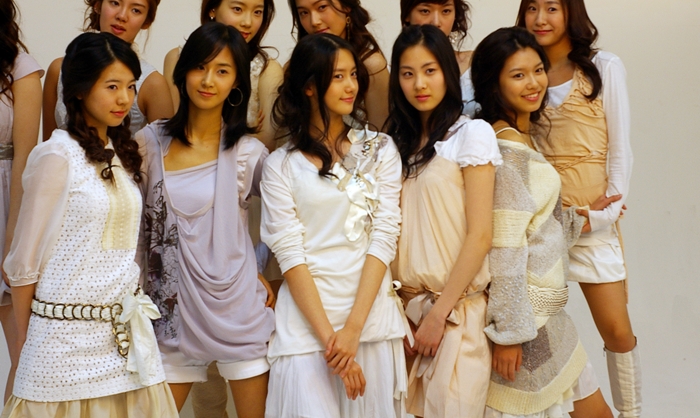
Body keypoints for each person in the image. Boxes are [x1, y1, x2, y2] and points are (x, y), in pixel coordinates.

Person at [2, 32, 177, 417]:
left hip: (124, 345)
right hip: (61, 344)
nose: (124, 99)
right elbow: (22, 264)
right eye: (111, 86)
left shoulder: (121, 154)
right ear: (80, 90)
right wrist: (29, 343)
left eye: (130, 86)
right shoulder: (56, 155)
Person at [260, 33, 407, 417]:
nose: (350, 85)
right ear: (309, 86)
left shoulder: (381, 149)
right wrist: (333, 341)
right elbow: (290, 256)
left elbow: (384, 236)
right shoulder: (280, 165)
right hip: (305, 331)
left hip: (370, 325)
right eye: (338, 76)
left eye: (353, 75)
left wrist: (353, 331)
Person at [471, 26, 614, 418]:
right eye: (518, 75)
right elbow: (505, 247)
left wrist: (581, 219)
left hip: (545, 317)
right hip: (526, 322)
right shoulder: (506, 150)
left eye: (538, 70)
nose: (534, 83)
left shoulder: (522, 136)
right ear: (494, 83)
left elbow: (534, 223)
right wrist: (509, 335)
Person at [516, 0, 640, 418]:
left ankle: (631, 413)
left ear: (571, 13)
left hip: (594, 222)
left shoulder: (604, 66)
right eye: (532, 8)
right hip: (543, 227)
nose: (540, 18)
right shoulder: (523, 73)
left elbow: (621, 151)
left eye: (551, 8)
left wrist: (603, 216)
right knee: (540, 328)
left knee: (617, 331)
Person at [137, 22, 275, 418]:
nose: (208, 80)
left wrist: (257, 267)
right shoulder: (149, 143)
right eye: (200, 67)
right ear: (184, 72)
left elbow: (290, 220)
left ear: (237, 83)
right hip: (171, 317)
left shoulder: (248, 153)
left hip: (238, 313)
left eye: (222, 70)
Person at [386, 24, 499, 418]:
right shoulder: (393, 145)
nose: (419, 83)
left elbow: (480, 235)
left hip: (456, 315)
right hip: (403, 318)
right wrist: (396, 314)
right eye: (408, 73)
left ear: (448, 73)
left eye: (430, 70)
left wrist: (439, 314)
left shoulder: (471, 134)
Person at [43, 0, 173, 140]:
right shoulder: (59, 69)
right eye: (115, 3)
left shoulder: (153, 84)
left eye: (136, 10)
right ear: (98, 5)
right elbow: (46, 143)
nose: (122, 16)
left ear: (146, 21)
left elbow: (165, 154)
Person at [163, 0, 283, 152]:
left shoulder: (267, 70)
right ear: (213, 8)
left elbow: (267, 142)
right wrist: (245, 136)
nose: (248, 22)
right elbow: (177, 127)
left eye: (257, 12)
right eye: (238, 9)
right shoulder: (177, 57)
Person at [0, 0, 43, 402]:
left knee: (24, 355)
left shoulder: (21, 68)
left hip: (6, 205)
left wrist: (14, 235)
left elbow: (27, 160)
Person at [288, 0, 389, 129]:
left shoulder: (371, 65)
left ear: (346, 6)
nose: (314, 21)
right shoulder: (294, 67)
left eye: (322, 7)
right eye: (304, 13)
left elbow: (382, 134)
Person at [399, 0, 477, 116]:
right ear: (407, 14)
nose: (436, 22)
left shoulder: (474, 65)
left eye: (446, 11)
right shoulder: (396, 71)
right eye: (425, 11)